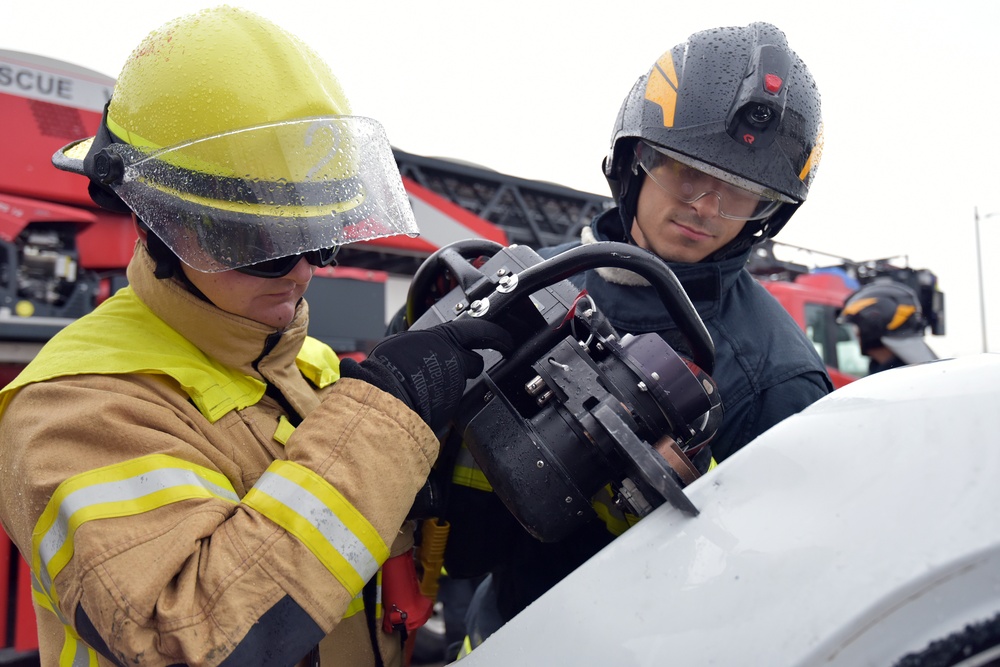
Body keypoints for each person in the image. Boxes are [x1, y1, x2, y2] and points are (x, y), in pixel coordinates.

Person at [0, 7, 511, 667]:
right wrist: (384, 422)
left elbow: (346, 559)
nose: (301, 271)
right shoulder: (72, 408)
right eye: (261, 243)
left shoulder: (316, 367)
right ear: (159, 226)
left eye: (317, 239)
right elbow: (186, 639)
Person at [446, 21, 834, 652]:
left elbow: (780, 588)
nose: (706, 206)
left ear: (770, 213)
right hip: (496, 638)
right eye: (685, 171)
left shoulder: (777, 377)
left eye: (742, 192)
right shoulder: (521, 283)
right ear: (632, 160)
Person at [838, 280, 939, 374]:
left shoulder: (902, 376)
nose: (856, 333)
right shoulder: (883, 370)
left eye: (856, 327)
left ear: (872, 324)